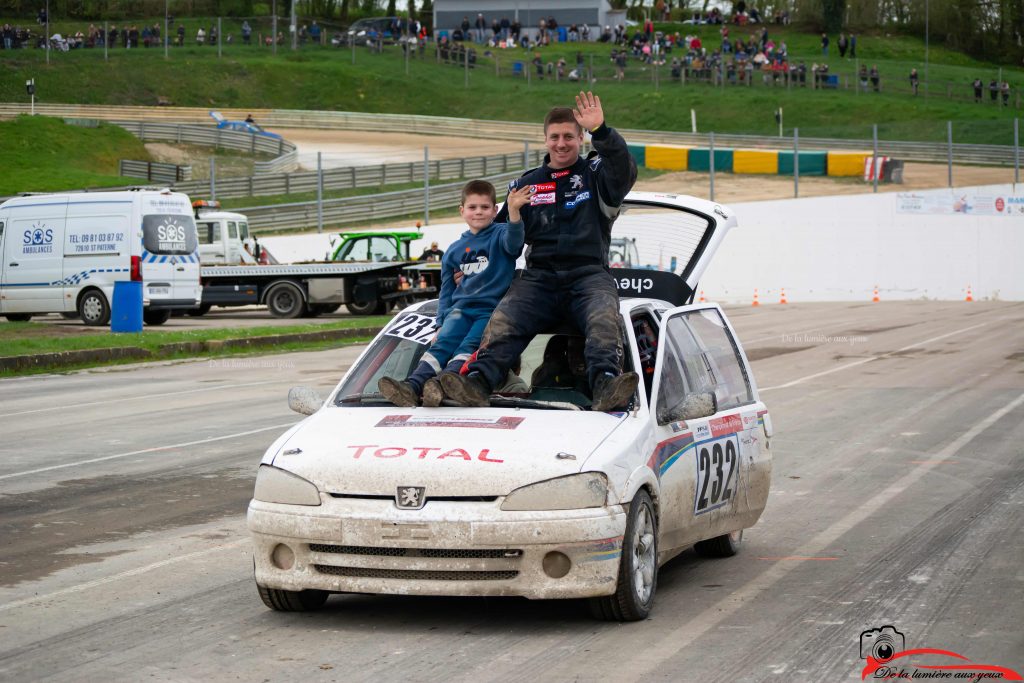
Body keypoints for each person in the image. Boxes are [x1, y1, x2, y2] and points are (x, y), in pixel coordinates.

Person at [440, 92, 640, 412]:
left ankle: (605, 384)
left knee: (603, 317)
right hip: (539, 277)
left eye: (569, 137)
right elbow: (498, 238)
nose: (562, 143)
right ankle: (477, 383)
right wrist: (472, 267)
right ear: (545, 139)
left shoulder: (598, 176)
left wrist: (601, 131)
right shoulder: (526, 185)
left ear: (580, 138)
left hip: (588, 274)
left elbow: (624, 168)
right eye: (555, 137)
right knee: (505, 320)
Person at [378, 180, 532, 407]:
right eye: (472, 207)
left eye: (484, 207)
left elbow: (515, 244)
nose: (478, 212)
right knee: (441, 346)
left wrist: (514, 212)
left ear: (494, 210)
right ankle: (411, 386)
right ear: (462, 211)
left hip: (489, 312)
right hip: (458, 311)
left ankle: (442, 384)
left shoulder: (501, 234)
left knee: (467, 346)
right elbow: (447, 290)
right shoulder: (452, 250)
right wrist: (440, 323)